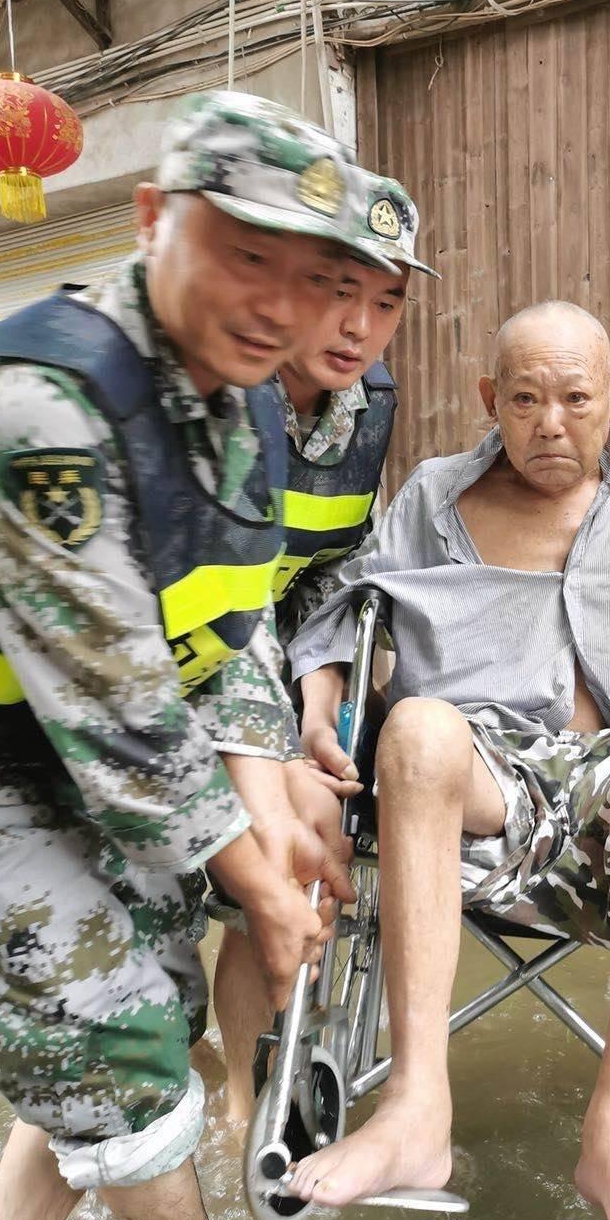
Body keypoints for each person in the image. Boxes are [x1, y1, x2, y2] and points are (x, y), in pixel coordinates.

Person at [0, 90, 377, 1220]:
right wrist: (256, 873)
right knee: (119, 1043)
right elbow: (127, 718)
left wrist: (272, 780)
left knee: (149, 1002)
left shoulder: (245, 402)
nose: (280, 306)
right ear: (152, 220)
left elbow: (222, 632)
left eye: (314, 278)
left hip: (85, 743)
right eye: (246, 255)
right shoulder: (37, 405)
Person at [285, 299, 610, 1220]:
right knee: (413, 729)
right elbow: (342, 606)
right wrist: (316, 717)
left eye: (576, 398)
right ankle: (416, 1110)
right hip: (478, 784)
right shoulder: (434, 495)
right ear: (491, 399)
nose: (550, 423)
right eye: (525, 399)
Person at [212, 171, 439, 1121]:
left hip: (265, 667)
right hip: (187, 663)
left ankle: (250, 1085)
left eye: (386, 302)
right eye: (340, 292)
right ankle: (219, 1086)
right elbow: (229, 599)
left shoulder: (369, 403)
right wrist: (280, 740)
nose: (359, 327)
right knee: (244, 864)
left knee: (284, 870)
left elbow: (331, 572)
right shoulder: (223, 394)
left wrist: (321, 694)